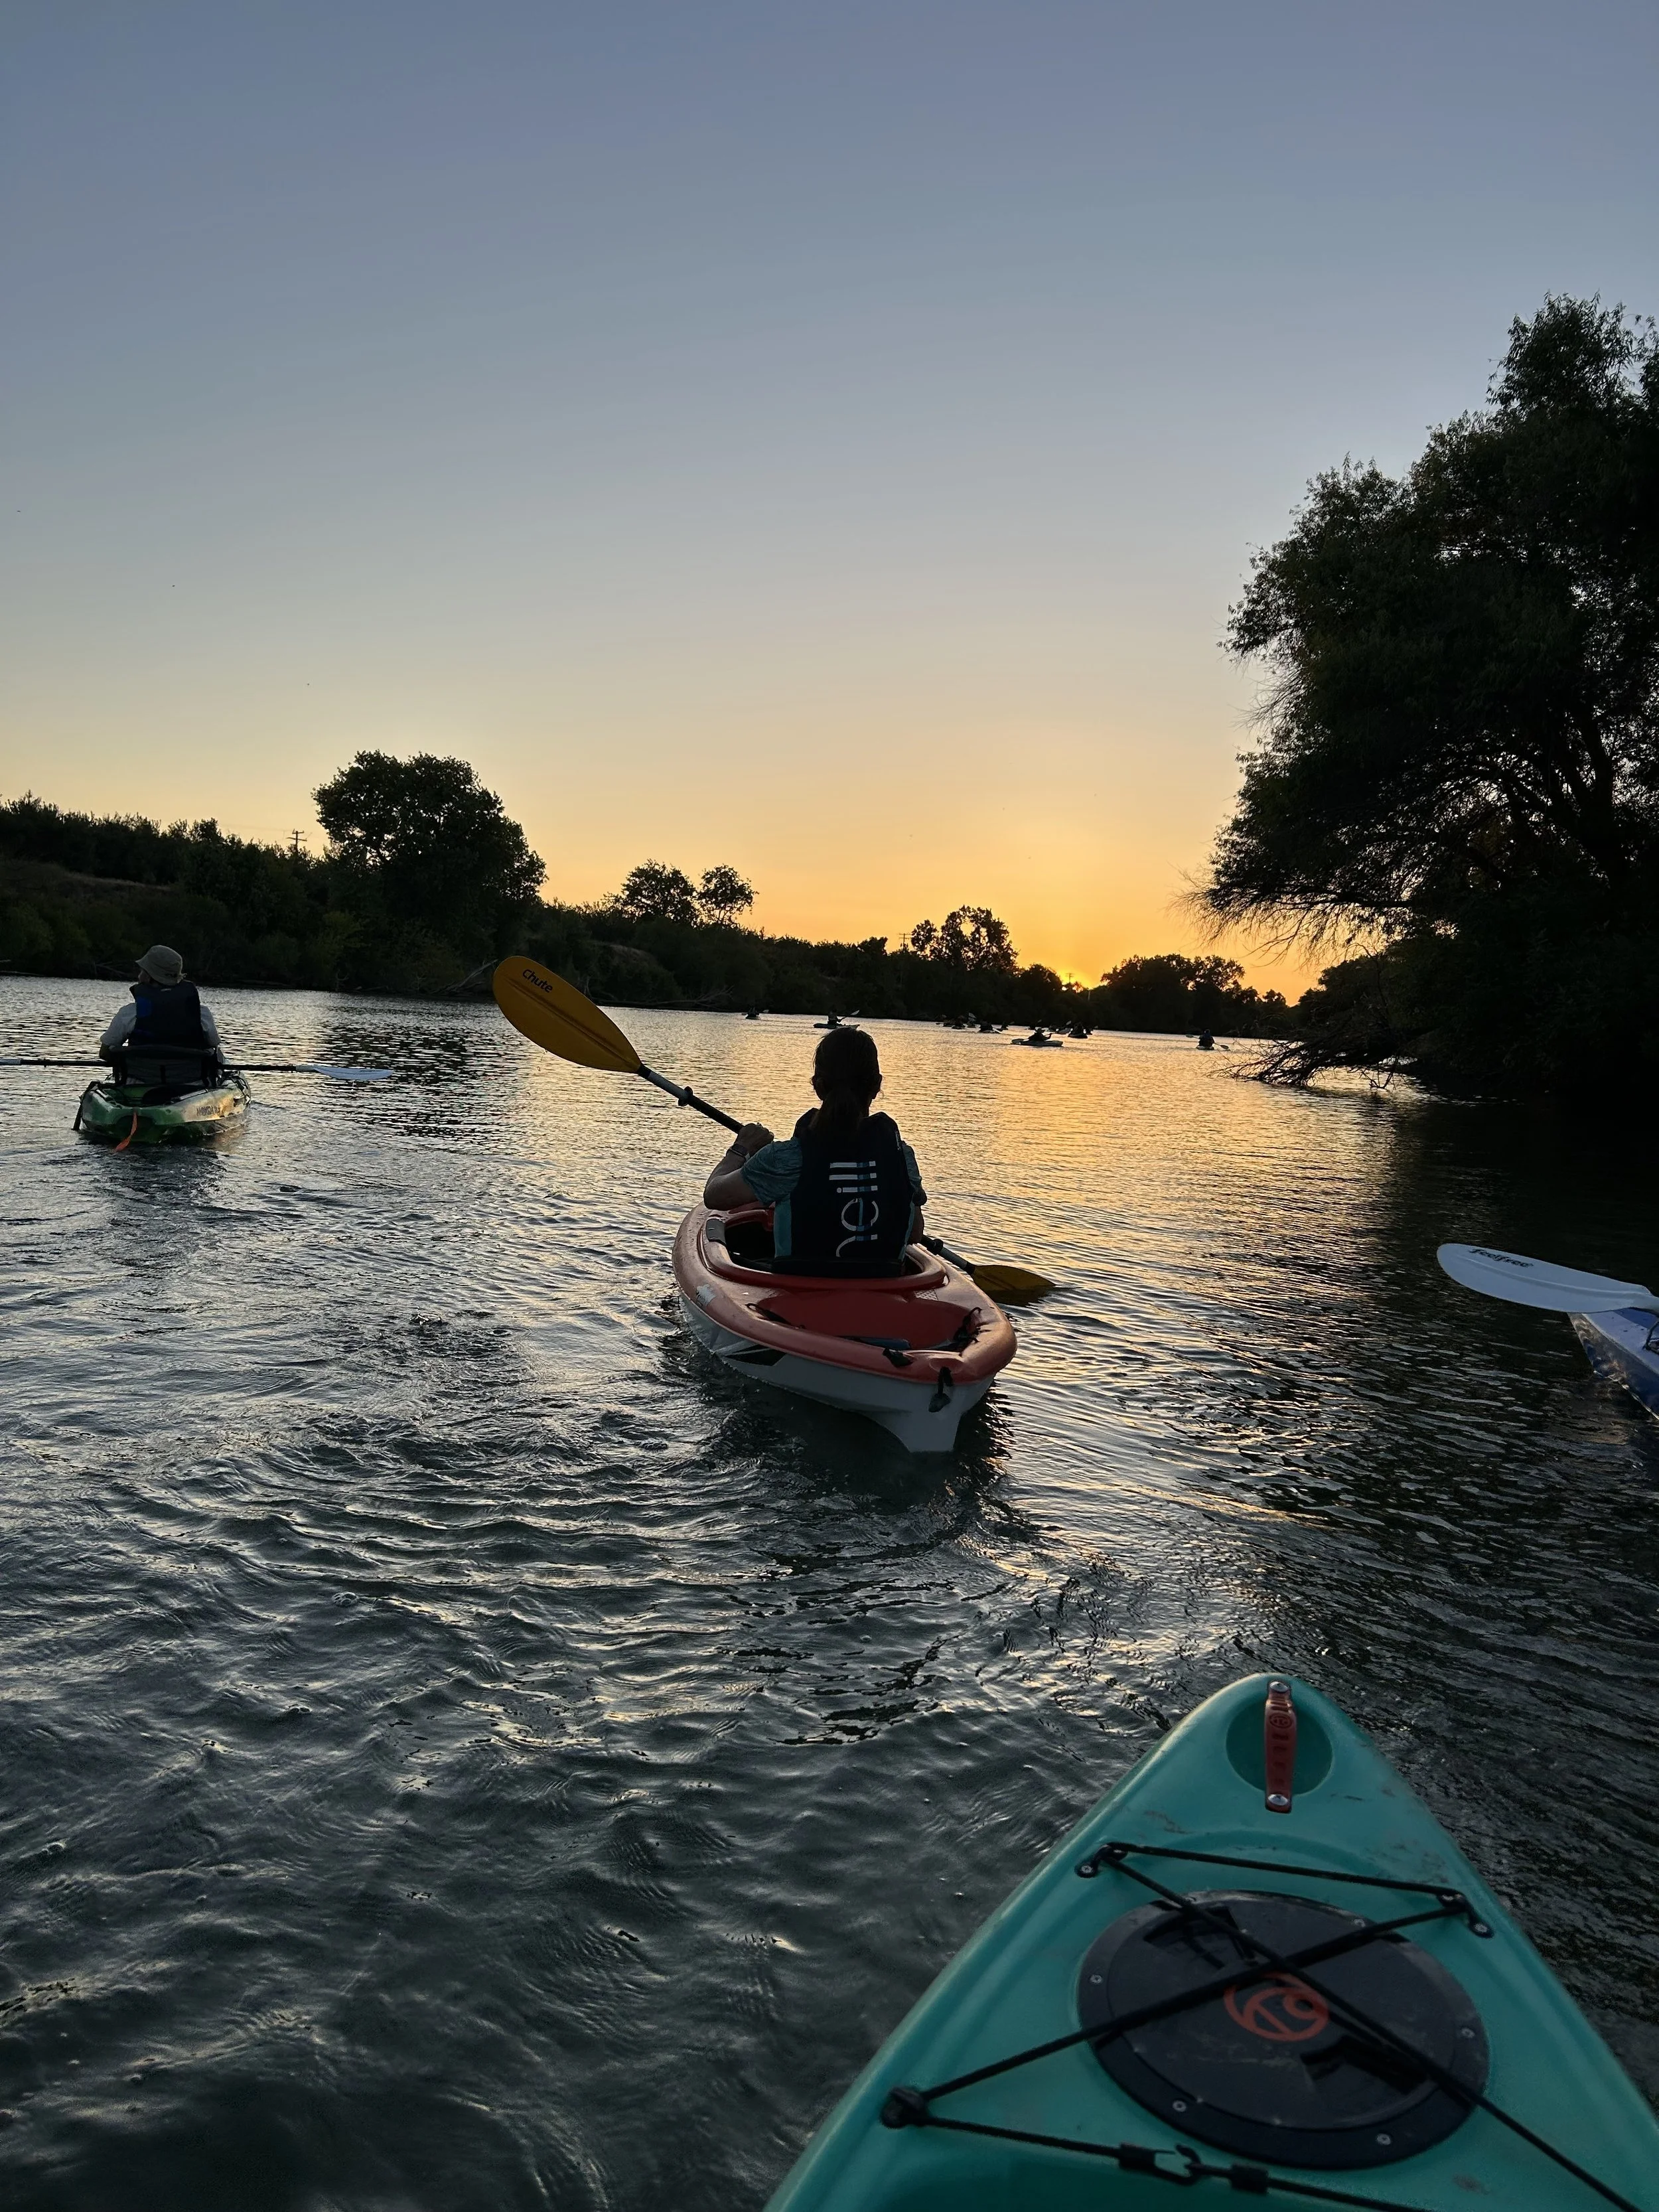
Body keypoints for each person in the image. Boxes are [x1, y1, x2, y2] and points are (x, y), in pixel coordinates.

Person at [703, 1027, 926, 1275]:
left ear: (818, 1086)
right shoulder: (902, 1157)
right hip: (884, 1293)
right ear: (877, 1086)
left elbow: (714, 1197)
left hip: (797, 1296)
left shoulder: (783, 1159)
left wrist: (740, 1149)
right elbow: (915, 1233)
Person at [100, 945, 222, 1091]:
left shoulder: (129, 1013)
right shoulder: (202, 1014)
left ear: (149, 977)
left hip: (139, 1086)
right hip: (191, 1088)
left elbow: (105, 1053)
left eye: (142, 971)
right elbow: (214, 1045)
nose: (139, 976)